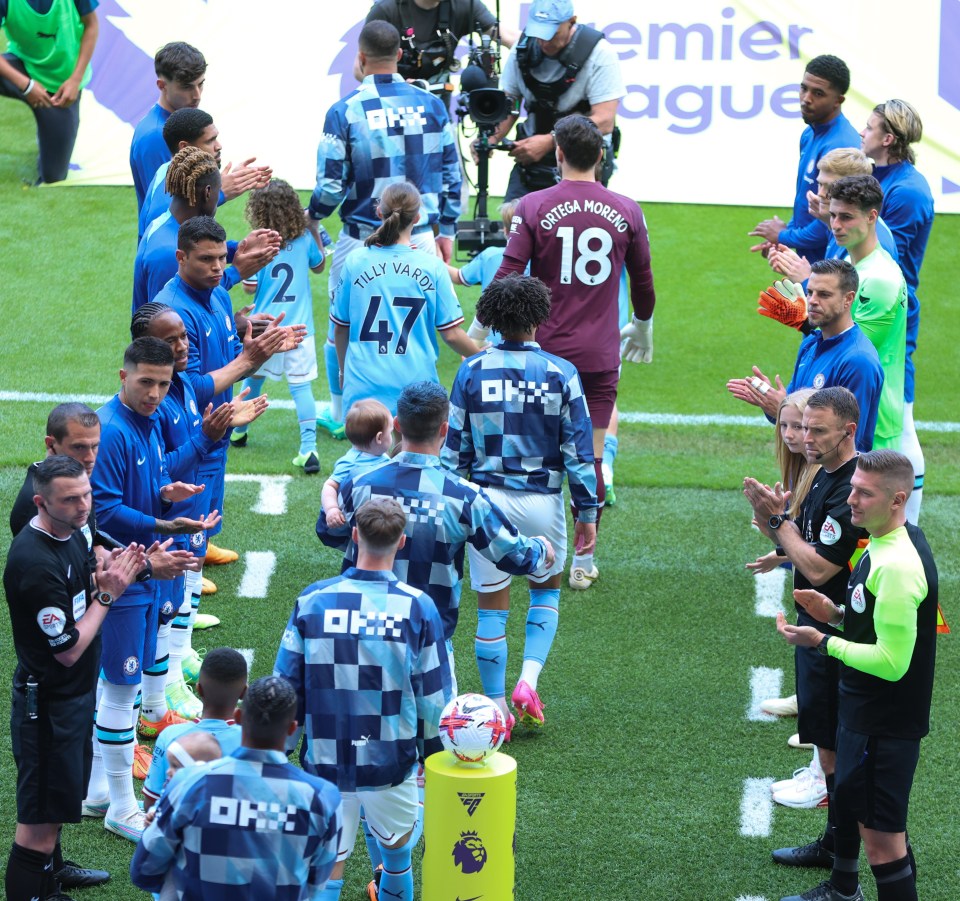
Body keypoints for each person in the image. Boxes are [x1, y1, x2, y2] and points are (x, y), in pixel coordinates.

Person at [493, 113, 656, 586]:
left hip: (540, 353)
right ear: (601, 156)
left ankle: (531, 552)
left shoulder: (534, 205)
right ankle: (583, 562)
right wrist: (642, 324)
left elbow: (509, 271)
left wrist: (485, 329)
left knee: (531, 455)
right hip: (599, 357)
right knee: (592, 458)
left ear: (558, 154)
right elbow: (643, 282)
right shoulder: (628, 209)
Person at [776, 450, 937, 901]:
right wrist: (836, 614)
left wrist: (822, 640)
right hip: (865, 715)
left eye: (865, 493)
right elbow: (877, 623)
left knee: (883, 844)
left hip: (883, 726)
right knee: (869, 825)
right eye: (853, 488)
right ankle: (843, 891)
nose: (852, 500)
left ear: (897, 499)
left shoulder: (898, 566)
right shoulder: (883, 542)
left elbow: (892, 661)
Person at [442, 274, 598, 731]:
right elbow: (580, 453)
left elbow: (453, 451)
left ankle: (495, 709)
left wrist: (456, 510)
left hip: (485, 500)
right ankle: (528, 680)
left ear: (490, 318)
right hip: (543, 500)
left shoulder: (470, 371)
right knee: (545, 590)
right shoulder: (560, 373)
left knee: (491, 605)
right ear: (539, 317)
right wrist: (587, 512)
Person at [276, 497, 452, 901]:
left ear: (354, 536)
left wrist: (282, 751)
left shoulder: (312, 600)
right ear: (402, 542)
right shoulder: (419, 608)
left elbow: (286, 688)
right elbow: (433, 698)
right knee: (397, 857)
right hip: (390, 764)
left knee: (327, 868)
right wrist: (433, 757)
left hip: (324, 763)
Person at [317, 380, 555, 666]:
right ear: (444, 429)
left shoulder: (358, 484)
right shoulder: (465, 497)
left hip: (360, 635)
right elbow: (515, 557)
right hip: (428, 644)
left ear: (397, 424)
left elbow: (328, 532)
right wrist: (541, 548)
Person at [90, 337, 220, 842]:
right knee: (119, 691)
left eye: (164, 385)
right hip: (125, 576)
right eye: (146, 381)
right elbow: (104, 511)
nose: (155, 393)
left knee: (115, 687)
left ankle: (100, 788)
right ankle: (121, 806)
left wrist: (167, 496)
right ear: (123, 376)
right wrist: (160, 521)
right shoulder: (113, 429)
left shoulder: (144, 425)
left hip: (142, 572)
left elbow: (140, 487)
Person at [308, 19, 461, 435]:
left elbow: (331, 184)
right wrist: (446, 228)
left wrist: (313, 215)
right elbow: (452, 171)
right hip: (421, 235)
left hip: (362, 238)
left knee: (342, 323)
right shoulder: (431, 104)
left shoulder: (344, 111)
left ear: (360, 58)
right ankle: (420, 419)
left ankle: (343, 414)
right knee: (422, 328)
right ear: (399, 55)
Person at [3, 456, 142, 901]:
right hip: (47, 705)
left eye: (86, 494)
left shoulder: (75, 529)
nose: (84, 506)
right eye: (71, 499)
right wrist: (108, 593)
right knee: (38, 828)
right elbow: (67, 650)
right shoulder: (34, 561)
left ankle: (49, 888)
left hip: (72, 698)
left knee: (58, 809)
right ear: (41, 503)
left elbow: (84, 580)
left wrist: (125, 568)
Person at [743, 387, 864, 872]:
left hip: (835, 633)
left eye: (817, 431)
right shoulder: (823, 472)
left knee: (838, 746)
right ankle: (835, 842)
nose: (805, 439)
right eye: (801, 427)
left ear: (848, 431)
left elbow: (817, 569)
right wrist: (780, 541)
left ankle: (843, 854)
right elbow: (808, 541)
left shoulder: (851, 486)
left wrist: (776, 523)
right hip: (816, 625)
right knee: (825, 739)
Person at [131, 302, 270, 718]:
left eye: (183, 337)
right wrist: (207, 437)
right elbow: (159, 472)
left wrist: (218, 428)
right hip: (163, 520)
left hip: (188, 513)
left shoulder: (186, 383)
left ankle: (178, 663)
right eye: (169, 340)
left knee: (184, 590)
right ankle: (161, 697)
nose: (182, 346)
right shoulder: (150, 404)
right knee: (160, 612)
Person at [156, 216, 305, 588]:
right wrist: (249, 360)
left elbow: (224, 348)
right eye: (206, 259)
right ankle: (186, 577)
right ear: (181, 257)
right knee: (190, 499)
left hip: (220, 419)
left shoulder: (218, 293)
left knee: (209, 494)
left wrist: (251, 337)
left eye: (222, 257)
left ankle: (200, 548)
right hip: (191, 427)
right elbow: (185, 386)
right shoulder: (172, 312)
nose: (218, 267)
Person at [131, 675, 342, 900]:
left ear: (239, 717)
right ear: (291, 729)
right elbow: (316, 883)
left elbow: (144, 872)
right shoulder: (323, 798)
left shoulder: (187, 782)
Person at [331, 181, 479, 418]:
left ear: (379, 212)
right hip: (417, 388)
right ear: (418, 217)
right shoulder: (432, 266)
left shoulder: (355, 261)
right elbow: (451, 334)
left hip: (363, 383)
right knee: (414, 454)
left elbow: (340, 328)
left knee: (366, 453)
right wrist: (482, 355)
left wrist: (342, 371)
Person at [860, 99, 933, 521]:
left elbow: (890, 258)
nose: (862, 133)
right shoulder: (883, 178)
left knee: (900, 418)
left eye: (869, 128)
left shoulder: (905, 192)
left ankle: (911, 526)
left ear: (888, 139)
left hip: (890, 313)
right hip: (876, 302)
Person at [728, 259, 883, 454]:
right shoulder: (810, 344)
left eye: (824, 294)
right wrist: (774, 405)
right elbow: (792, 415)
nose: (812, 301)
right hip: (801, 476)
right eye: (810, 292)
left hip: (832, 481)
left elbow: (847, 446)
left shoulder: (857, 362)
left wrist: (782, 409)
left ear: (848, 299)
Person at [483, 0, 624, 200]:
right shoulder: (520, 52)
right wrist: (491, 138)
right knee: (514, 223)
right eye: (538, 33)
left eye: (551, 34)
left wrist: (550, 141)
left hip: (582, 161)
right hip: (532, 160)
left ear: (571, 22)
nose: (543, 42)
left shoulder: (600, 53)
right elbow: (511, 104)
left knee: (575, 226)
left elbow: (605, 120)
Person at [234, 179, 326, 473]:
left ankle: (238, 431)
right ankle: (309, 450)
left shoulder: (256, 242)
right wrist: (312, 229)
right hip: (299, 331)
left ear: (258, 212)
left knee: (253, 374)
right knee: (301, 389)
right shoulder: (303, 241)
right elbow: (320, 265)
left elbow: (248, 287)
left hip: (264, 328)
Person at [133, 145, 281, 312]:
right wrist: (236, 273)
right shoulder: (168, 254)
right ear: (208, 192)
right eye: (220, 191)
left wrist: (238, 248)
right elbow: (173, 321)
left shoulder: (164, 223)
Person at [749, 55, 860, 264]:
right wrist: (784, 238)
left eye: (818, 93)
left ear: (838, 100)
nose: (806, 98)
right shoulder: (809, 135)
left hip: (829, 268)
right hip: (807, 263)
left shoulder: (840, 148)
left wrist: (783, 236)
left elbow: (835, 219)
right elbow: (806, 204)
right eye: (804, 88)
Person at [766, 147, 900, 284]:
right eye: (820, 184)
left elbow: (847, 302)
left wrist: (807, 279)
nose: (820, 193)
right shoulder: (839, 223)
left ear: (853, 188)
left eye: (829, 187)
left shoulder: (869, 244)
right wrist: (795, 267)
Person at [138, 106, 271, 242]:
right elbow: (180, 252)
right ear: (185, 147)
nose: (218, 146)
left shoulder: (172, 174)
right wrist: (220, 193)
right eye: (209, 141)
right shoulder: (167, 192)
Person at [0, 0, 98, 184]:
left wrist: (75, 81)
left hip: (61, 89)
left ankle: (48, 130)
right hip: (23, 68)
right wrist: (27, 86)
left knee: (53, 176)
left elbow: (91, 25)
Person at [142, 646, 247, 811]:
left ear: (198, 689)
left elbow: (151, 801)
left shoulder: (170, 735)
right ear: (243, 693)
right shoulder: (250, 741)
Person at [365, 0, 516, 103]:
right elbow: (361, 69)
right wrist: (399, 86)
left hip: (438, 110)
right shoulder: (386, 10)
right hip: (391, 107)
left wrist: (536, 39)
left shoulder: (464, 5)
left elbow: (509, 37)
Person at [130, 41, 206, 211]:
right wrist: (222, 192)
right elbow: (164, 208)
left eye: (200, 84)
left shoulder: (176, 125)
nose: (197, 95)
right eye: (187, 87)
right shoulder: (156, 136)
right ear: (162, 86)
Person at [320, 398, 394, 529]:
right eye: (390, 431)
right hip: (355, 519)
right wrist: (332, 509)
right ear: (379, 438)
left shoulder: (382, 455)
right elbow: (330, 485)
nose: (392, 436)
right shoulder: (350, 462)